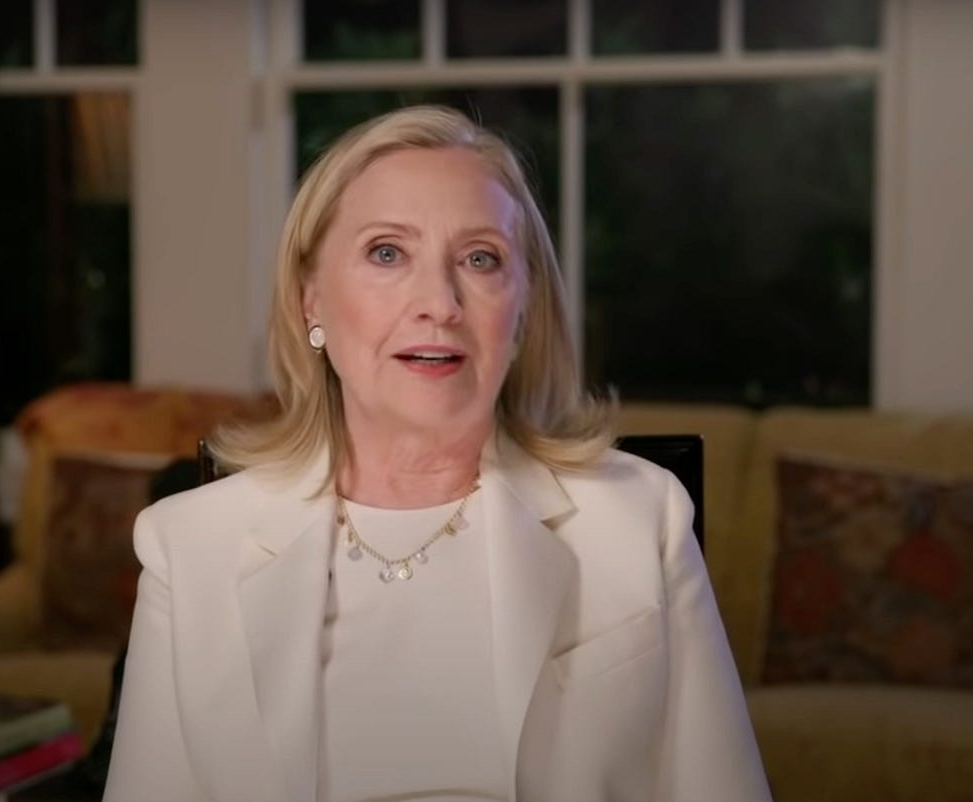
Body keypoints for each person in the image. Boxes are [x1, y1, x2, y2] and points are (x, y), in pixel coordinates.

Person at [103, 105, 770, 801]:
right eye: (387, 253)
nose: (440, 303)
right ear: (310, 300)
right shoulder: (188, 546)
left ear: (522, 309)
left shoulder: (639, 517)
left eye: (480, 259)